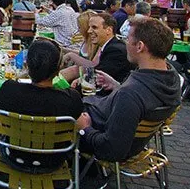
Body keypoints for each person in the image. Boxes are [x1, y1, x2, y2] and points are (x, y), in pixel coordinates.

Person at [76, 18, 181, 161]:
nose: (125, 44)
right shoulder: (171, 76)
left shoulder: (130, 95)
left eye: (127, 39)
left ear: (139, 46)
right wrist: (116, 85)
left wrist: (85, 129)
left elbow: (112, 149)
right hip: (129, 136)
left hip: (94, 131)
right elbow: (141, 101)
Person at [0, 39, 84, 170]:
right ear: (58, 69)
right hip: (53, 161)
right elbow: (80, 126)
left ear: (27, 65)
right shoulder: (70, 99)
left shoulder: (9, 90)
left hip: (13, 157)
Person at [63, 13, 134, 85]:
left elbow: (98, 78)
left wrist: (79, 82)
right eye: (89, 27)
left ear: (108, 30)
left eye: (94, 27)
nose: (89, 31)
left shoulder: (115, 50)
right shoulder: (110, 46)